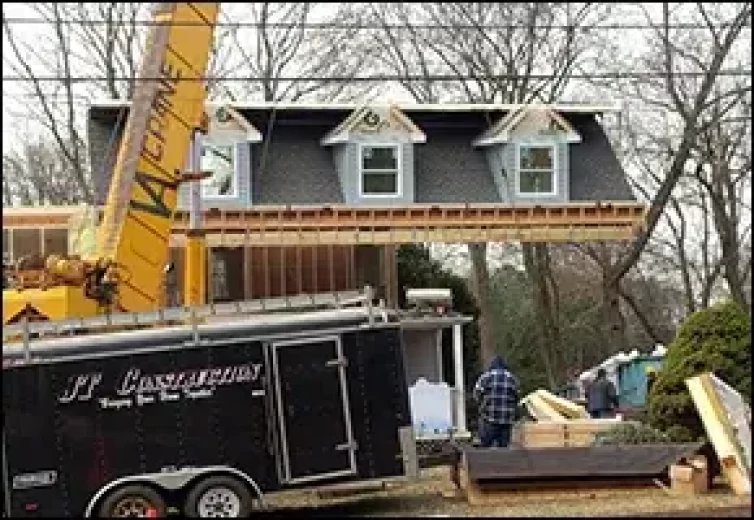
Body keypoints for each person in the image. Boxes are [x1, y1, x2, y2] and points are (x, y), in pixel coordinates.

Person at [473, 355, 520, 448]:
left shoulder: (485, 377)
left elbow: (476, 395)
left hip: (489, 418)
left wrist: (481, 405)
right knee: (503, 448)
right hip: (507, 419)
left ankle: (485, 453)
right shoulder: (513, 378)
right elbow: (517, 397)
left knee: (485, 446)